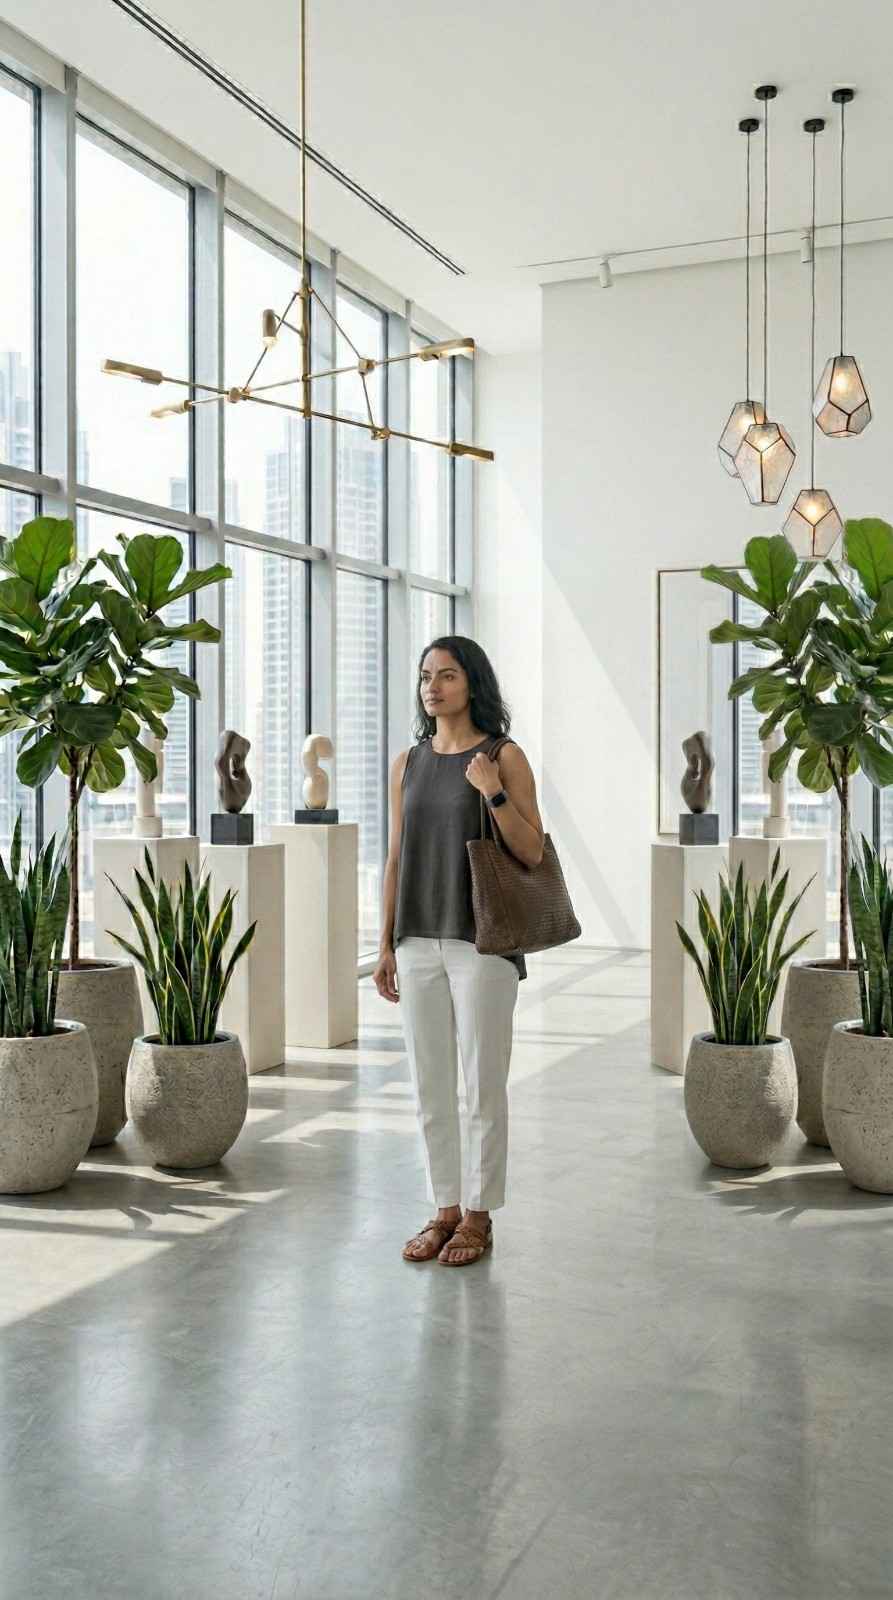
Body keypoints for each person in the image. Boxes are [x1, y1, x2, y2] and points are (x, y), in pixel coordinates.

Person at [374, 636, 545, 1267]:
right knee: (429, 1083)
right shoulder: (409, 762)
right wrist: (385, 942)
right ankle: (443, 1208)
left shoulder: (503, 756)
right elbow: (395, 857)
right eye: (425, 676)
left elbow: (531, 850)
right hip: (417, 938)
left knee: (483, 1083)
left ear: (472, 682)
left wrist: (493, 790)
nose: (433, 686)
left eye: (447, 675)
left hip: (484, 941)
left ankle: (479, 1214)